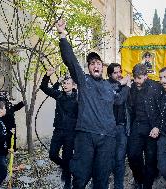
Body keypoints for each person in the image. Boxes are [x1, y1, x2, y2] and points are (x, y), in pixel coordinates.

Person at [55, 20, 130, 189]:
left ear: (102, 68)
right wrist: (62, 35)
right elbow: (71, 60)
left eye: (98, 63)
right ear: (88, 68)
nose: (95, 65)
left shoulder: (109, 86)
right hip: (85, 135)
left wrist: (126, 86)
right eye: (92, 63)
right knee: (80, 176)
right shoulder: (83, 81)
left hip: (107, 137)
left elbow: (119, 100)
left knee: (102, 177)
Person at [40, 68, 78, 189]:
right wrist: (47, 75)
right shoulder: (59, 95)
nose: (65, 85)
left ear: (73, 85)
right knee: (52, 155)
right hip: (58, 131)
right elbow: (44, 88)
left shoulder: (78, 98)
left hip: (71, 133)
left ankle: (68, 182)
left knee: (67, 157)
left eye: (68, 83)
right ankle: (65, 167)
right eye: (64, 83)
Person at [127, 63, 163, 189]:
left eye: (140, 78)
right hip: (137, 125)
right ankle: (139, 178)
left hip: (152, 127)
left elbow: (163, 109)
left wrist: (157, 126)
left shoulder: (156, 87)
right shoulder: (131, 87)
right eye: (135, 77)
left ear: (146, 76)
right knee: (132, 155)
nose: (137, 81)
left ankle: (147, 185)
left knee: (150, 159)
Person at [107, 63, 131, 189]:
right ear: (110, 74)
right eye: (115, 72)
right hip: (108, 129)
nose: (119, 74)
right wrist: (126, 86)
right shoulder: (107, 85)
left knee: (120, 159)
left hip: (122, 127)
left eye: (120, 71)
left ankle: (118, 186)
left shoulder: (124, 86)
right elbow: (118, 100)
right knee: (107, 158)